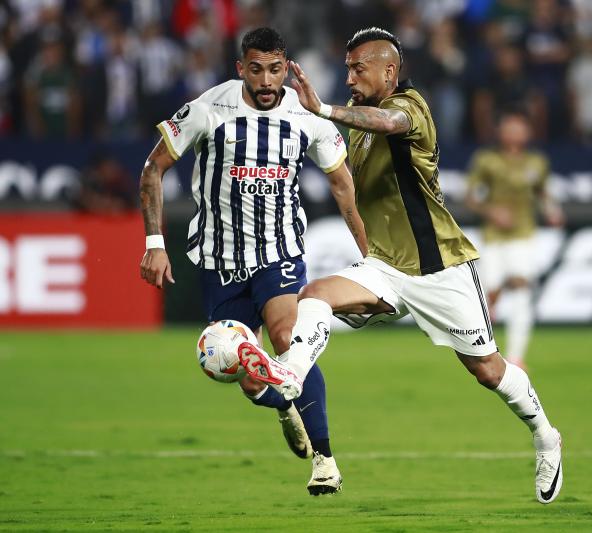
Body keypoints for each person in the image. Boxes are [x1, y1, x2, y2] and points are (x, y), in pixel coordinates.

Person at [236, 27, 564, 505]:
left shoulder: (412, 107)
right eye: (346, 68)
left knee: (489, 371)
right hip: (385, 267)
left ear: (389, 71)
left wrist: (324, 110)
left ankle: (546, 435)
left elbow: (389, 122)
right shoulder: (357, 132)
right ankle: (290, 375)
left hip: (440, 270)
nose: (348, 77)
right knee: (315, 294)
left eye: (358, 68)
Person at [138, 27, 367, 496]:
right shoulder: (208, 109)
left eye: (275, 70)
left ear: (288, 68)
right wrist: (155, 242)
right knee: (245, 376)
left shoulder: (308, 115)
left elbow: (343, 184)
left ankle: (325, 459)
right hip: (220, 259)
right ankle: (285, 406)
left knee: (287, 337)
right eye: (256, 70)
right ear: (241, 68)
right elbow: (152, 169)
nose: (266, 81)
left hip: (279, 251)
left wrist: (370, 255)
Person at [464, 110, 564, 369]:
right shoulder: (486, 160)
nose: (514, 133)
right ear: (499, 132)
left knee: (521, 287)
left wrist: (552, 211)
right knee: (490, 294)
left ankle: (517, 357)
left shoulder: (536, 163)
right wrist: (492, 211)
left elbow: (542, 192)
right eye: (509, 127)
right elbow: (472, 197)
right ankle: (485, 352)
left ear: (528, 133)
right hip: (493, 237)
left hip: (523, 235)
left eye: (519, 128)